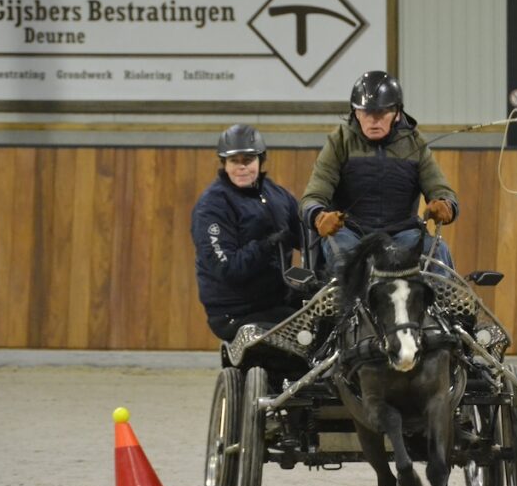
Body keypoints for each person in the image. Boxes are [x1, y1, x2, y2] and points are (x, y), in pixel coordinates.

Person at [300, 70, 458, 274]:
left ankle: (443, 295)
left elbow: (440, 188)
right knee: (343, 261)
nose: (373, 120)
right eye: (366, 113)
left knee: (437, 254)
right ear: (356, 113)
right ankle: (341, 296)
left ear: (397, 113)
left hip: (404, 233)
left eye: (381, 113)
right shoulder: (339, 141)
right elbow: (312, 197)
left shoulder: (415, 142)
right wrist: (319, 217)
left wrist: (445, 205)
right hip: (350, 233)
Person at [191, 124, 301, 341]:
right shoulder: (211, 207)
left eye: (248, 160)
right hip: (236, 310)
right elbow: (227, 269)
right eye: (234, 161)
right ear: (224, 164)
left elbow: (305, 233)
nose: (242, 167)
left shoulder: (276, 194)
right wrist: (267, 246)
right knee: (307, 333)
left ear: (260, 160)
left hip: (276, 298)